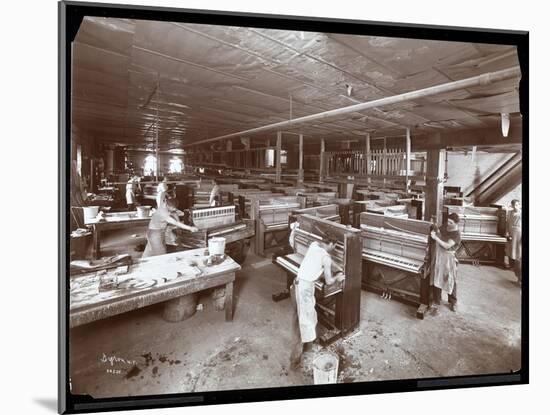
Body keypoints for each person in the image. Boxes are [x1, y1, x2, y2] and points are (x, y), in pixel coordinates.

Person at [289, 235, 345, 369]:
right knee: (303, 324)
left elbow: (327, 261)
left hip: (296, 284)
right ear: (331, 243)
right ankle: (294, 360)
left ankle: (308, 345)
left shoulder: (314, 245)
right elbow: (330, 281)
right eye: (334, 246)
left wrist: (337, 266)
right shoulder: (326, 258)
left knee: (304, 318)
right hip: (305, 290)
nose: (334, 248)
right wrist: (338, 276)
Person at [431, 212, 462, 312]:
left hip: (449, 257)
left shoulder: (456, 234)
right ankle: (436, 300)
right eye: (448, 221)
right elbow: (439, 230)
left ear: (456, 223)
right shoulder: (446, 225)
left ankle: (453, 302)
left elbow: (447, 246)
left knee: (450, 279)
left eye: (451, 222)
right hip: (440, 254)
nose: (448, 223)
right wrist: (434, 227)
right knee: (438, 276)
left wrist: (435, 237)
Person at [272, 216, 300, 302]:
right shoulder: (293, 226)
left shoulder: (297, 227)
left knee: (292, 267)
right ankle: (290, 289)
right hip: (292, 248)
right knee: (287, 264)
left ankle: (293, 288)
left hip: (298, 250)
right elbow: (288, 238)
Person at [506, 199, 522, 284]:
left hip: (519, 233)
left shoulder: (521, 213)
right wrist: (507, 233)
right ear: (512, 205)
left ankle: (519, 275)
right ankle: (512, 265)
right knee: (511, 250)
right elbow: (507, 223)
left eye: (517, 205)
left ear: (519, 205)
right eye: (514, 205)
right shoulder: (509, 212)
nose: (516, 207)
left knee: (519, 252)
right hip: (511, 233)